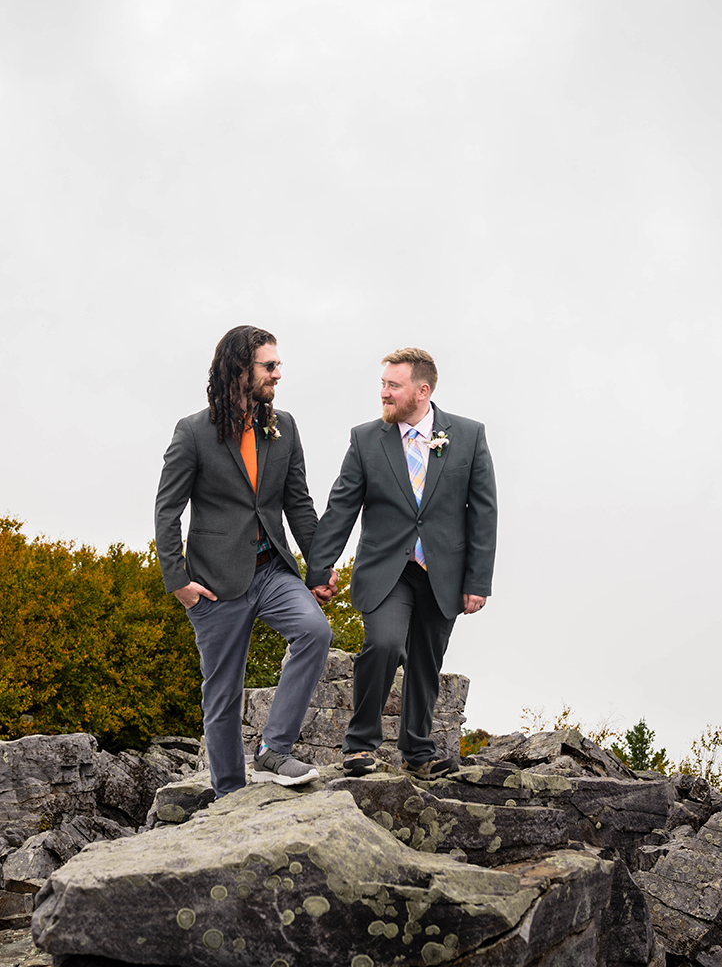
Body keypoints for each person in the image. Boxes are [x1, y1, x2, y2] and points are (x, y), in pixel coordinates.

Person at [154, 325, 336, 797]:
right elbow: (167, 509)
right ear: (240, 369)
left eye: (278, 364)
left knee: (315, 631)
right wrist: (178, 580)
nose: (278, 373)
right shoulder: (192, 432)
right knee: (222, 696)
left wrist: (318, 570)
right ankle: (230, 795)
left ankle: (274, 750)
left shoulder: (285, 426)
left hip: (272, 568)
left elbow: (298, 504)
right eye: (269, 365)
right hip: (214, 583)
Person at [306, 347, 496, 779]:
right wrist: (318, 570)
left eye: (393, 385)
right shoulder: (365, 439)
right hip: (387, 569)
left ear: (422, 390)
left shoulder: (468, 435)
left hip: (443, 572)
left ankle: (418, 751)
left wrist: (478, 580)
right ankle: (359, 747)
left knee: (427, 659)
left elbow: (483, 513)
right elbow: (341, 509)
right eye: (383, 384)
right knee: (386, 644)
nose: (384, 393)